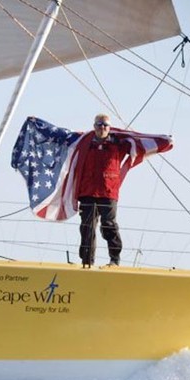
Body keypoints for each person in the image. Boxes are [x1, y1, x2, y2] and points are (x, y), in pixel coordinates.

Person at [74, 113, 126, 268]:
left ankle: (114, 259)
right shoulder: (85, 143)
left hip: (107, 192)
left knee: (108, 224)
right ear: (94, 126)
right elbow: (64, 137)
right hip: (88, 191)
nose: (102, 127)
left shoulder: (118, 145)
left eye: (105, 125)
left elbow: (139, 142)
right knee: (87, 227)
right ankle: (87, 261)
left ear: (110, 128)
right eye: (99, 124)